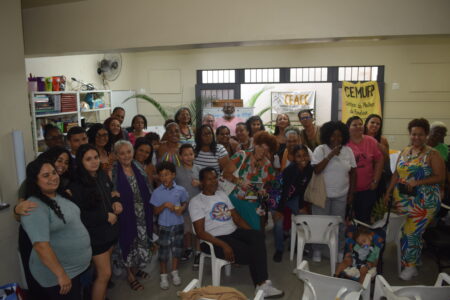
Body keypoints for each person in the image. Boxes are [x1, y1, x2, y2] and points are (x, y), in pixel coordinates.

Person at [189, 167, 284, 298]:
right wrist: (223, 245)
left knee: (258, 237)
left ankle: (262, 285)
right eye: (209, 179)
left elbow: (237, 218)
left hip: (232, 232)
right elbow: (200, 233)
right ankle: (262, 285)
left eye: (215, 178)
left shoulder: (222, 195)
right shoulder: (196, 202)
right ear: (201, 182)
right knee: (251, 252)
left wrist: (252, 236)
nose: (214, 181)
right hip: (213, 239)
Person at [21, 158, 91, 300]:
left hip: (78, 269)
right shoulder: (34, 206)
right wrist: (61, 274)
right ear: (35, 181)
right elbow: (41, 246)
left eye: (54, 173)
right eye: (46, 175)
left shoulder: (59, 195)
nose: (53, 177)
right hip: (60, 276)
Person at [384, 118, 445, 280]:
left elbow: (440, 177)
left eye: (420, 134)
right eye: (413, 134)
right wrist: (388, 192)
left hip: (425, 201)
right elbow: (396, 173)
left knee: (410, 232)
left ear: (426, 135)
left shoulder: (433, 154)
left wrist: (418, 181)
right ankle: (414, 261)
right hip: (403, 199)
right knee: (411, 232)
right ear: (409, 134)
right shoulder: (405, 151)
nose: (416, 137)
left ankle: (409, 267)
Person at [14, 147, 73, 300]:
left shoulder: (62, 181)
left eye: (66, 162)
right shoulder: (30, 183)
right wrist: (17, 209)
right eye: (59, 160)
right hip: (34, 239)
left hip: (54, 239)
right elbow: (20, 212)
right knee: (40, 281)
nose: (62, 165)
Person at [70, 144, 122, 300]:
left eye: (96, 158)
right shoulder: (77, 184)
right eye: (88, 159)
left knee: (104, 274)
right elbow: (79, 215)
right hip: (95, 235)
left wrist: (116, 201)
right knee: (105, 274)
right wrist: (105, 216)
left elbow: (111, 192)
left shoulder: (101, 175)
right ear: (80, 161)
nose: (94, 162)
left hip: (110, 231)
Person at [311, 121, 357, 262]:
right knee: (320, 224)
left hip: (341, 195)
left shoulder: (348, 151)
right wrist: (331, 155)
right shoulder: (320, 149)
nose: (336, 139)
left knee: (340, 226)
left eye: (339, 136)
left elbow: (354, 173)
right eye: (333, 136)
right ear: (327, 136)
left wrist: (351, 194)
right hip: (322, 195)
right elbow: (317, 169)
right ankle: (317, 251)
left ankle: (339, 251)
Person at [111, 140, 153, 291]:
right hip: (126, 215)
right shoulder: (113, 172)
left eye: (128, 152)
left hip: (142, 213)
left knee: (141, 241)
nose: (126, 155)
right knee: (128, 242)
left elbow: (148, 187)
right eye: (121, 153)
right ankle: (130, 275)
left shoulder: (138, 166)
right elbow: (112, 194)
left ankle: (136, 269)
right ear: (116, 155)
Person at [223, 131, 278, 230]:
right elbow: (225, 174)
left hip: (253, 204)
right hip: (234, 201)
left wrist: (264, 191)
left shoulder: (267, 165)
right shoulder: (241, 155)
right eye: (261, 147)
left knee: (254, 232)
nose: (262, 152)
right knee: (234, 232)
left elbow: (270, 185)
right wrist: (239, 182)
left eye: (266, 150)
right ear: (255, 144)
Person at [150, 161, 188, 289]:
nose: (163, 178)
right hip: (164, 226)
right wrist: (164, 205)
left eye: (166, 175)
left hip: (178, 224)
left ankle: (175, 272)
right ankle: (163, 275)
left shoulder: (181, 190)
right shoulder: (157, 192)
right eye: (161, 175)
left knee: (177, 250)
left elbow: (184, 203)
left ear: (173, 175)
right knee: (163, 252)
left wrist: (181, 209)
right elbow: (155, 211)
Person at [272, 145, 313, 262]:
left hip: (294, 198)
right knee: (278, 224)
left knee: (304, 218)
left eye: (305, 155)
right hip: (279, 198)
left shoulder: (310, 170)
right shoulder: (290, 170)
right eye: (299, 156)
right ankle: (279, 249)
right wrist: (279, 211)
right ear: (294, 158)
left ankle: (295, 245)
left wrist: (301, 207)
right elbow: (284, 191)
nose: (303, 158)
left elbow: (303, 190)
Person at [347, 116, 384, 224]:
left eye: (360, 124)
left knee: (364, 220)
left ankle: (363, 240)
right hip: (347, 190)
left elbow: (379, 160)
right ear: (348, 127)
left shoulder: (371, 141)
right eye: (354, 125)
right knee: (348, 220)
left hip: (367, 189)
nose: (358, 127)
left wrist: (375, 181)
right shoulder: (344, 143)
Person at [175, 144, 202, 267]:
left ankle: (198, 252)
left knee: (197, 231)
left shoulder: (199, 169)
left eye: (191, 154)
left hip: (197, 207)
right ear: (180, 156)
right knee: (186, 231)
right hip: (184, 207)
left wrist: (200, 183)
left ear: (194, 155)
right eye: (185, 154)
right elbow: (172, 187)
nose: (188, 157)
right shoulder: (176, 170)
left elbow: (206, 185)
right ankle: (189, 249)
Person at [364, 114, 391, 200]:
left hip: (378, 176)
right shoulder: (360, 138)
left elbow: (387, 159)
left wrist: (380, 146)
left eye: (378, 124)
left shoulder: (383, 140)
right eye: (372, 122)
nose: (375, 125)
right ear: (366, 124)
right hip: (363, 175)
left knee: (376, 203)